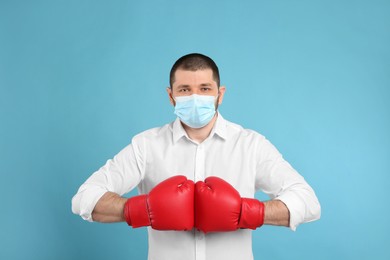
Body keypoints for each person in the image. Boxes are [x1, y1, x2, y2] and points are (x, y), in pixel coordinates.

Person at [72, 53, 321, 260]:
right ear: (171, 96)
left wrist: (246, 212)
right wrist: (143, 209)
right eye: (184, 89)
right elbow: (84, 199)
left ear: (219, 94)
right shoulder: (146, 145)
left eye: (204, 89)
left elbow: (308, 203)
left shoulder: (250, 145)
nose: (195, 97)